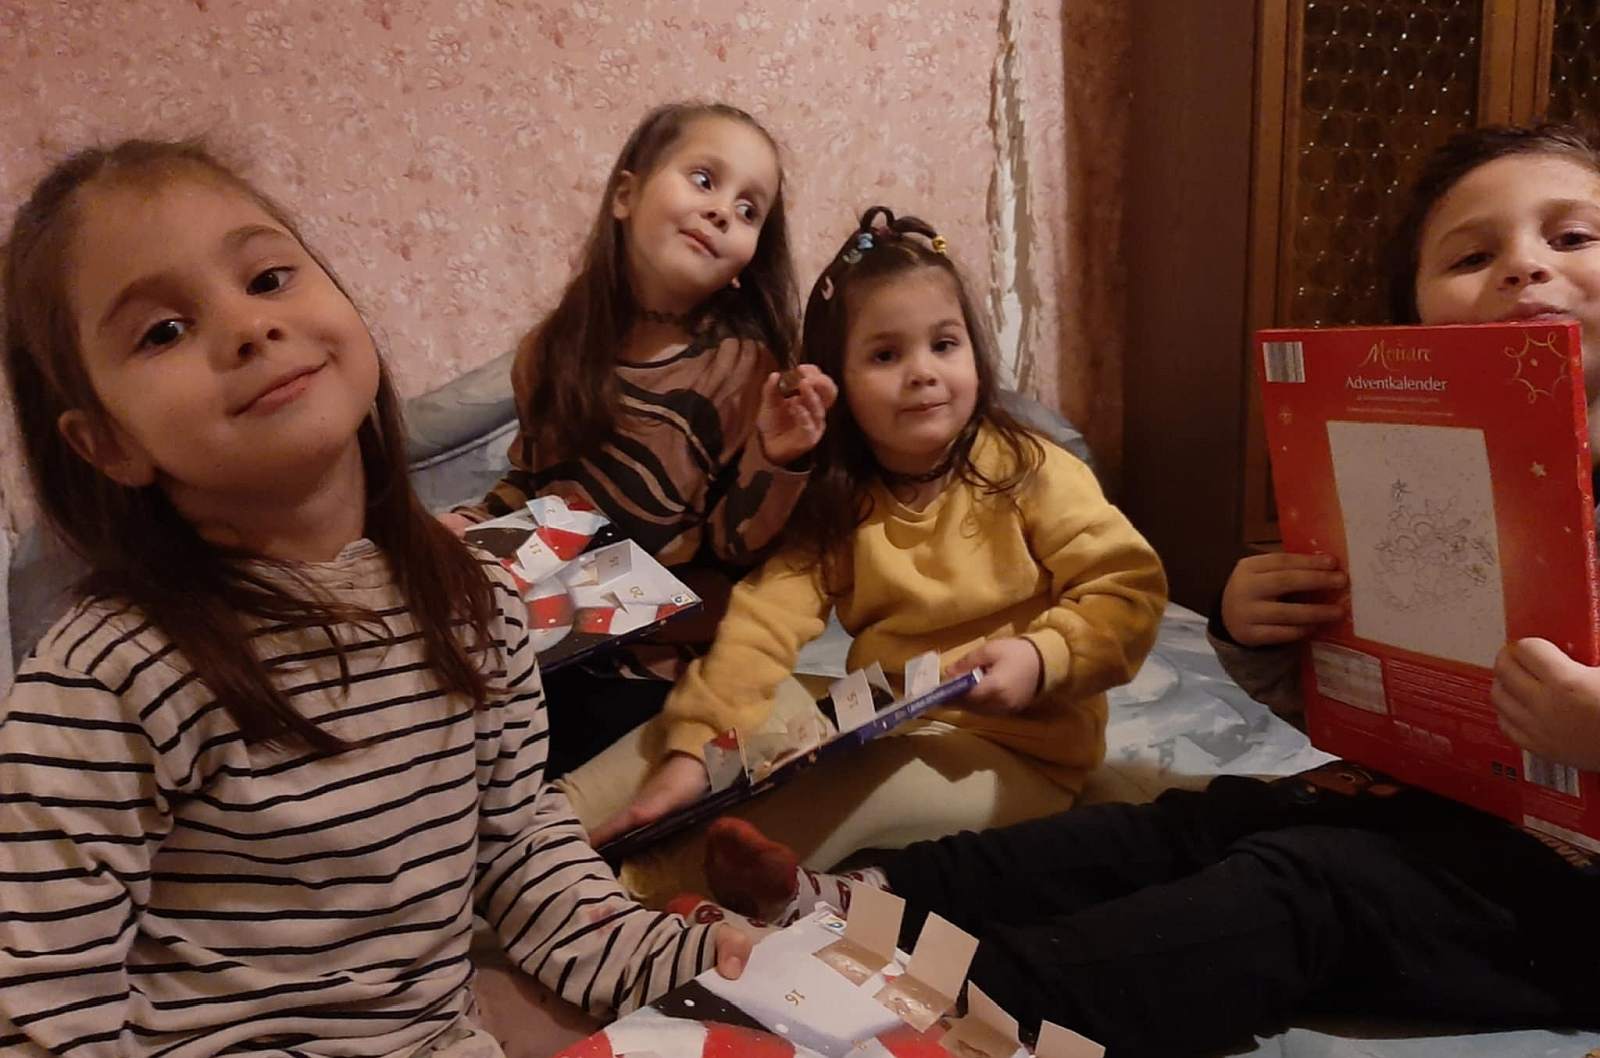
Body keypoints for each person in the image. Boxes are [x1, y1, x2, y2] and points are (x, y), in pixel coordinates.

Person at [695, 126, 1600, 1057]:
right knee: (1202, 820)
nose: (1525, 266)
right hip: (1442, 803)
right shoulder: (1428, 476)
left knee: (1307, 878)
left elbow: (1116, 591)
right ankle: (865, 902)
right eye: (1472, 256)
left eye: (1573, 237)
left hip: (1570, 881)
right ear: (1412, 309)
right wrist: (1262, 635)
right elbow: (1371, 706)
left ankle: (969, 1007)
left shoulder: (1024, 465)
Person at [0, 139, 748, 1057]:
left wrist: (685, 960)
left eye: (268, 278)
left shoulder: (474, 601)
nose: (248, 326)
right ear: (106, 443)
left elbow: (521, 853)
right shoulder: (102, 678)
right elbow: (44, 1008)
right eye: (163, 332)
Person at [589, 207, 1166, 904]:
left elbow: (1129, 590)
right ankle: (536, 834)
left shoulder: (1032, 471)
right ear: (838, 383)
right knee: (738, 711)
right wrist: (691, 751)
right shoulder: (841, 500)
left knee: (845, 784)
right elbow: (762, 624)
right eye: (886, 356)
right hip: (887, 712)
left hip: (1019, 753)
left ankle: (613, 898)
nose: (923, 373)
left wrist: (1044, 657)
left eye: (944, 345)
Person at [442, 101, 835, 780]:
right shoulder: (555, 346)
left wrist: (776, 454)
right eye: (704, 180)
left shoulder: (747, 370)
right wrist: (470, 525)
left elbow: (735, 557)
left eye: (749, 210)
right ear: (625, 196)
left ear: (750, 256)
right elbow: (533, 489)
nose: (722, 211)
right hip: (550, 622)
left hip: (663, 645)